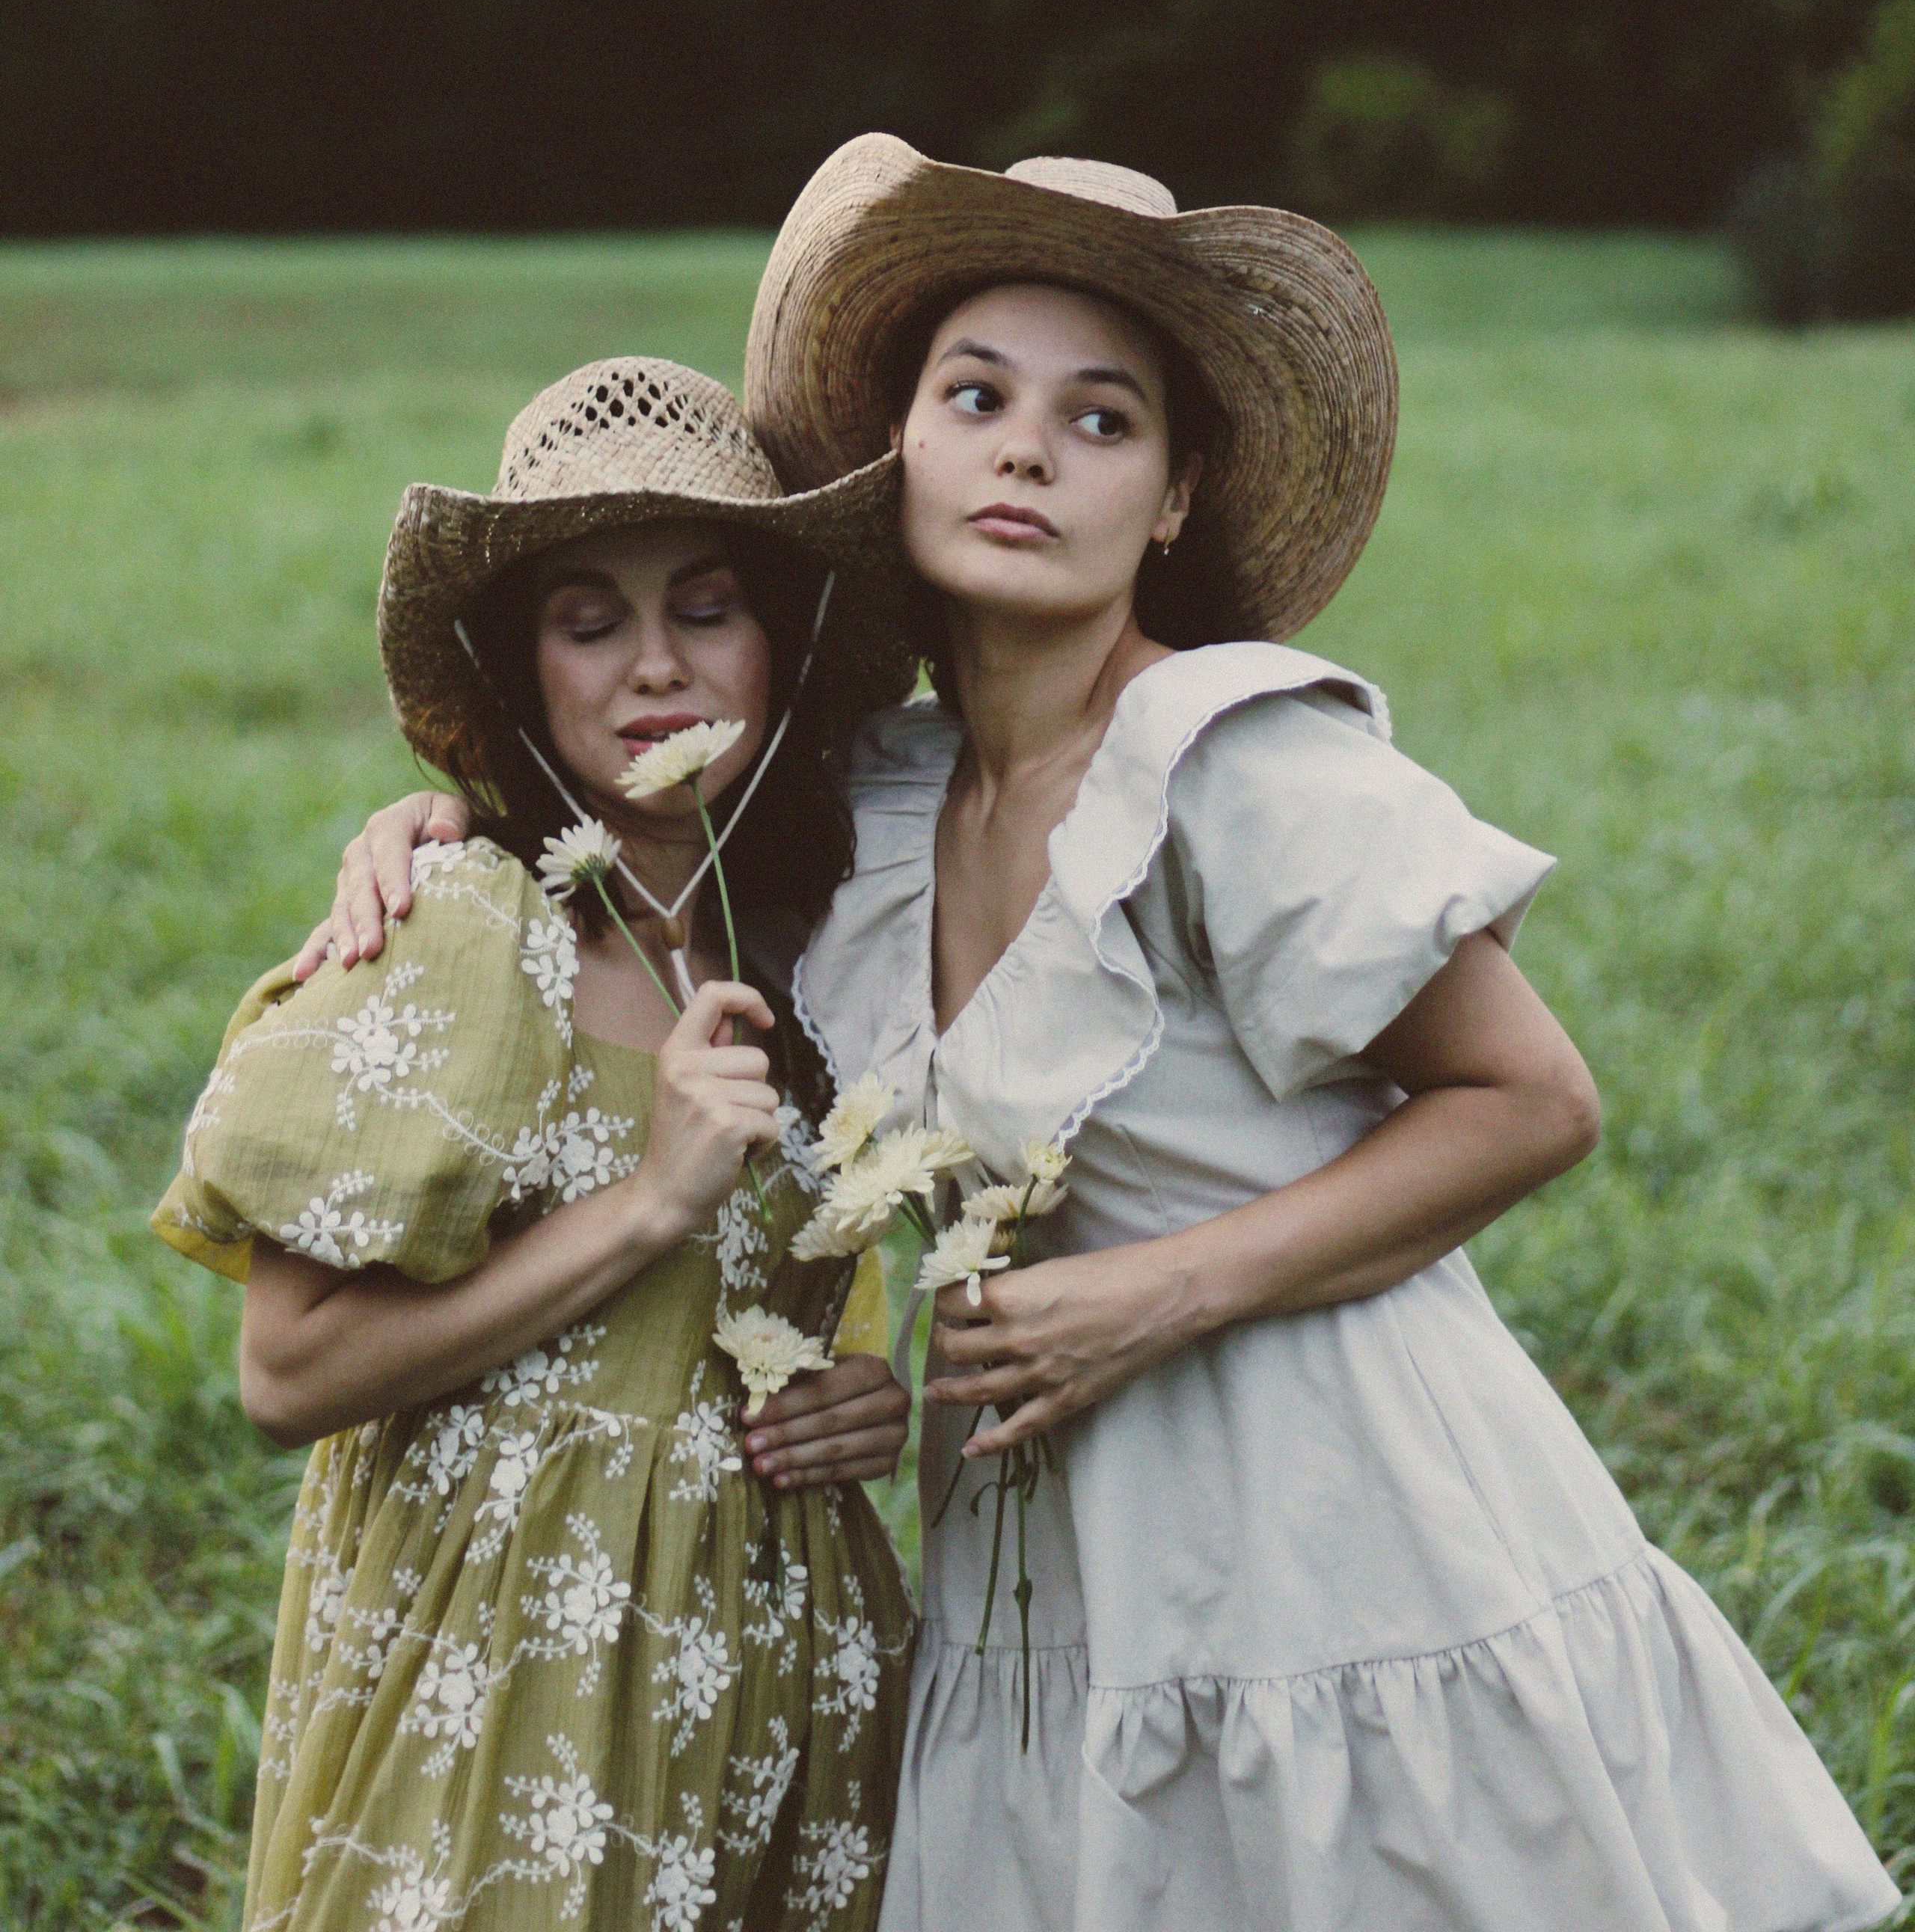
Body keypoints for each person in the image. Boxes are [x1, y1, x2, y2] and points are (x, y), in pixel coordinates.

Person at [324, 150, 1900, 1932]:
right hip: (1055, 1561)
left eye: (1101, 421)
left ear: (1169, 499)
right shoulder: (876, 798)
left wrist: (1171, 1286)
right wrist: (435, 827)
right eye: (975, 397)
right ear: (895, 454)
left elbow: (1530, 1100)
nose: (1024, 451)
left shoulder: (1237, 762)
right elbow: (632, 800)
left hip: (1333, 1527)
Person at [153, 358, 918, 1932]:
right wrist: (641, 1212)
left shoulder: (816, 944)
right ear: (524, 676)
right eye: (590, 623)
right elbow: (285, 1374)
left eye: (707, 609)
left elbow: (792, 1295)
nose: (655, 668)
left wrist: (856, 1399)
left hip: (771, 1659)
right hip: (511, 1659)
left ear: (779, 643)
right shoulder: (466, 928)